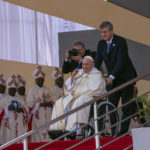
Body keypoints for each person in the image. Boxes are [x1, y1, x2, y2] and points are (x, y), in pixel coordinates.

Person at [95, 21, 137, 136]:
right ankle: (115, 131)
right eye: (101, 32)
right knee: (111, 106)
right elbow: (97, 61)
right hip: (112, 80)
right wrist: (92, 73)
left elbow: (121, 61)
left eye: (105, 32)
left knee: (126, 106)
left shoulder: (120, 41)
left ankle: (123, 132)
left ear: (112, 31)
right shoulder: (101, 44)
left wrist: (111, 76)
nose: (103, 34)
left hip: (125, 78)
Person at [50, 56, 106, 138]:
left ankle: (74, 130)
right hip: (75, 95)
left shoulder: (97, 75)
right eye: (83, 64)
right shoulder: (79, 72)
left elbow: (97, 89)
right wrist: (72, 77)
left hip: (90, 97)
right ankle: (58, 129)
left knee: (78, 101)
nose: (84, 67)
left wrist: (78, 92)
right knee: (60, 102)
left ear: (92, 64)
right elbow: (67, 86)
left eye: (87, 64)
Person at [26, 65, 54, 142]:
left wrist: (48, 103)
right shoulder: (32, 90)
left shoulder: (47, 90)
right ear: (36, 80)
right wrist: (40, 104)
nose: (41, 81)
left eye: (42, 80)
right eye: (39, 80)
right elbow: (29, 105)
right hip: (38, 118)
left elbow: (53, 102)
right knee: (38, 137)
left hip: (47, 116)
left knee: (49, 136)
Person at [0, 75, 28, 143]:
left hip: (19, 125)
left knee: (19, 141)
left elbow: (27, 109)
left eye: (14, 89)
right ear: (8, 89)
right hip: (8, 125)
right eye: (11, 89)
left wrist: (21, 110)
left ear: (16, 90)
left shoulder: (20, 99)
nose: (13, 91)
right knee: (9, 141)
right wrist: (7, 108)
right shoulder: (3, 100)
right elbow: (0, 112)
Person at [0, 74, 7, 144]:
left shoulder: (8, 96)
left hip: (6, 122)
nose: (2, 88)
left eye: (3, 86)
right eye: (0, 86)